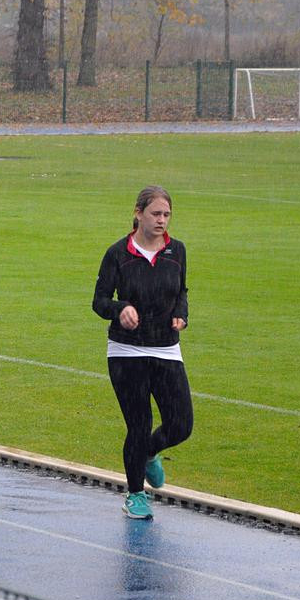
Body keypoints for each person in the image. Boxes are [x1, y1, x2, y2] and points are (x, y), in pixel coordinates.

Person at [92, 185, 193, 520]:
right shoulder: (117, 253)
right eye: (155, 214)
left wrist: (182, 314)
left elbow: (182, 292)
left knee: (180, 425)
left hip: (166, 350)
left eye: (166, 215)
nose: (161, 220)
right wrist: (120, 308)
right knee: (139, 423)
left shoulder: (176, 251)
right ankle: (135, 494)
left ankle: (149, 454)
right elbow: (99, 301)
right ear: (138, 213)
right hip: (126, 352)